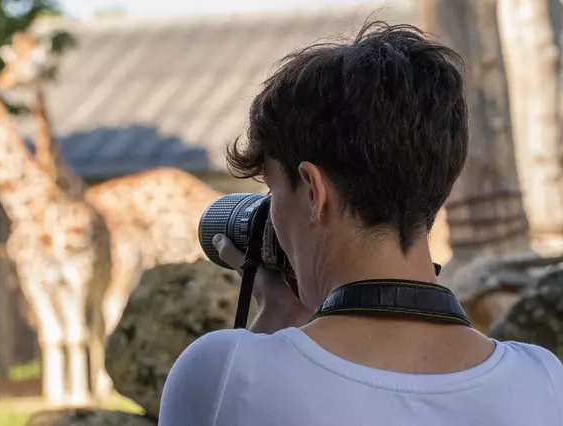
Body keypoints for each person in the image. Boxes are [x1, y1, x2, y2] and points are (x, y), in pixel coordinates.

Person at [158, 21, 563, 426]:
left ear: (314, 191)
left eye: (274, 192)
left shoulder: (221, 373)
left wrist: (275, 321)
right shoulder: (544, 382)